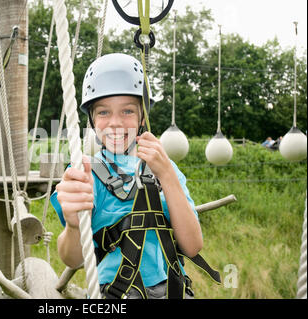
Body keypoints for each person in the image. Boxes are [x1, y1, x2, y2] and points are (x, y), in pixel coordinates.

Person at [50, 53, 217, 299]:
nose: (116, 122)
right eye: (104, 112)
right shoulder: (87, 174)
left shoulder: (166, 169)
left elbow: (192, 246)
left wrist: (167, 175)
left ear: (142, 118)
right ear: (92, 120)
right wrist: (74, 226)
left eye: (127, 111)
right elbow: (72, 258)